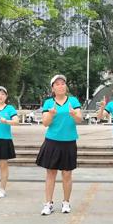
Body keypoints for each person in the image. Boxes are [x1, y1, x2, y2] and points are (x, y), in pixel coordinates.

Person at [36, 75, 83, 216]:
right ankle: (48, 203)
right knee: (51, 173)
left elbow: (79, 120)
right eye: (57, 84)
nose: (61, 86)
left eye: (63, 83)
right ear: (53, 88)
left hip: (69, 141)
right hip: (52, 141)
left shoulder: (73, 101)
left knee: (67, 174)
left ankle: (66, 202)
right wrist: (51, 114)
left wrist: (74, 114)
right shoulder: (49, 102)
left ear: (65, 86)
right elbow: (45, 123)